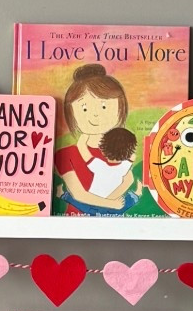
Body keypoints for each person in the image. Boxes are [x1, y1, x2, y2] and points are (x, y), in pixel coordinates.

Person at [54, 65, 138, 213]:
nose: (95, 115)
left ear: (121, 107)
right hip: (75, 223)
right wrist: (111, 204)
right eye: (84, 108)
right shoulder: (65, 154)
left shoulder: (119, 151)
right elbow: (78, 194)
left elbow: (128, 180)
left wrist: (106, 206)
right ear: (71, 113)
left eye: (104, 106)